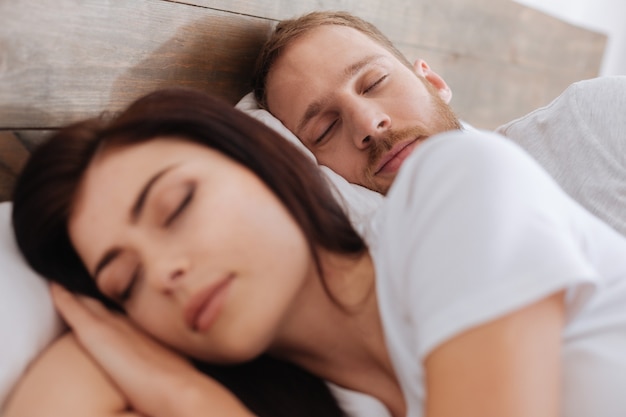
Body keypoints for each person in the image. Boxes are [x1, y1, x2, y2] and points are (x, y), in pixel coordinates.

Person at [7, 87, 626, 417]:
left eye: (176, 207)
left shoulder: (458, 187)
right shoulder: (302, 396)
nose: (164, 273)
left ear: (263, 164)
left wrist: (188, 401)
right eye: (126, 283)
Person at [252, 11, 626, 237]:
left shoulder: (593, 120)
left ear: (433, 82)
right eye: (324, 130)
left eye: (374, 83)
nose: (369, 123)